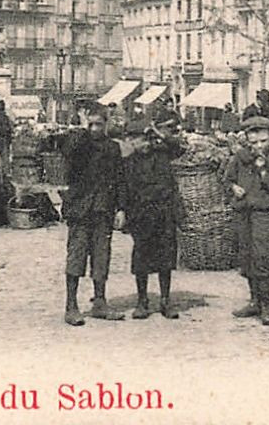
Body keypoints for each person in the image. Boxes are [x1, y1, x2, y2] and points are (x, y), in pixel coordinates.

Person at [55, 107, 124, 325]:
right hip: (80, 210)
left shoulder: (113, 148)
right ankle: (71, 306)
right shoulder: (79, 144)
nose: (94, 129)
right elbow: (68, 150)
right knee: (76, 256)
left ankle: (100, 303)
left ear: (106, 124)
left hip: (103, 209)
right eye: (91, 124)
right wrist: (82, 129)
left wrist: (121, 208)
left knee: (101, 257)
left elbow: (120, 179)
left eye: (99, 124)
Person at [221, 115, 269, 325]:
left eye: (263, 141)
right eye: (254, 143)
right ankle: (254, 301)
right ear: (247, 141)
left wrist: (263, 171)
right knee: (246, 255)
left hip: (263, 212)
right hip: (243, 211)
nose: (258, 147)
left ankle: (267, 304)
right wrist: (234, 188)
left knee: (262, 255)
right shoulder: (239, 158)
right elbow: (226, 179)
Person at [117, 113, 186, 319]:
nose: (143, 143)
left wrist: (158, 134)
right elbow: (122, 188)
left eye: (146, 138)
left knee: (166, 257)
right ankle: (142, 301)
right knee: (141, 257)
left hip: (165, 211)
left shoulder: (162, 152)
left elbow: (179, 148)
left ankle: (165, 300)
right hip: (141, 213)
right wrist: (122, 210)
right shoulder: (128, 162)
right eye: (138, 139)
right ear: (130, 140)